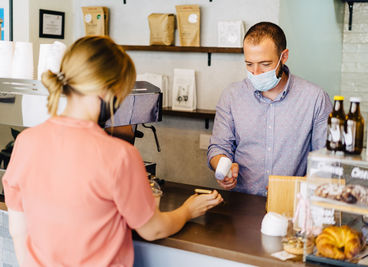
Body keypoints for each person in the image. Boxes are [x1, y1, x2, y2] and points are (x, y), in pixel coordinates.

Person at [3, 36, 223, 267]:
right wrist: (187, 211)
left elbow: (18, 230)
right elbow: (153, 229)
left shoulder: (26, 142)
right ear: (107, 90)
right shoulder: (119, 155)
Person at [207, 22, 332, 196]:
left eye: (265, 64)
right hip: (241, 203)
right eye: (249, 64)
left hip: (293, 203)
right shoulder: (231, 95)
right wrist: (223, 167)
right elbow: (218, 147)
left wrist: (294, 188)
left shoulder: (315, 98)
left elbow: (325, 162)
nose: (256, 72)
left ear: (284, 56)